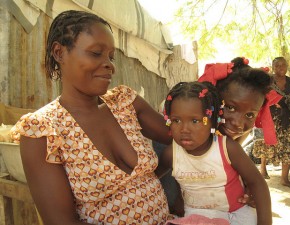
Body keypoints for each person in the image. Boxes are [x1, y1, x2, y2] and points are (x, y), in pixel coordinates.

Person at [10, 10, 173, 225]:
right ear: (59, 52)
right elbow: (61, 222)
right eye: (96, 53)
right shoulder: (43, 130)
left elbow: (182, 137)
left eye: (111, 57)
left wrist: (210, 107)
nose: (110, 65)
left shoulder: (125, 103)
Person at [156, 81, 272, 225]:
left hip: (234, 217)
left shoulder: (227, 148)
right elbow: (152, 179)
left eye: (195, 121)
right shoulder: (171, 154)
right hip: (195, 217)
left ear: (213, 121)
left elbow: (257, 183)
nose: (184, 129)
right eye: (176, 120)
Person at [252, 57, 290, 189]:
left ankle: (284, 179)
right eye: (277, 66)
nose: (281, 68)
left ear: (287, 67)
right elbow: (258, 96)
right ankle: (263, 169)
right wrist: (272, 104)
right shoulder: (266, 82)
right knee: (266, 144)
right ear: (273, 67)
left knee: (289, 146)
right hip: (269, 118)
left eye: (283, 65)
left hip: (287, 120)